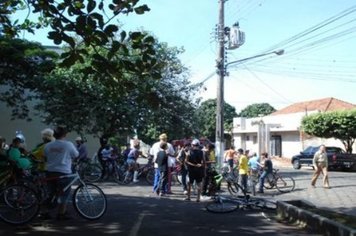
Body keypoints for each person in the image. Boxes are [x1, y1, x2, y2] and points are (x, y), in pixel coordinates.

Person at [43, 126, 79, 220]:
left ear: (54, 134)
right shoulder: (68, 144)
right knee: (64, 193)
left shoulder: (48, 145)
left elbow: (45, 156)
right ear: (65, 134)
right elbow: (76, 155)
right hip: (63, 172)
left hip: (50, 172)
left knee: (51, 193)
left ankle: (45, 212)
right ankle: (61, 214)